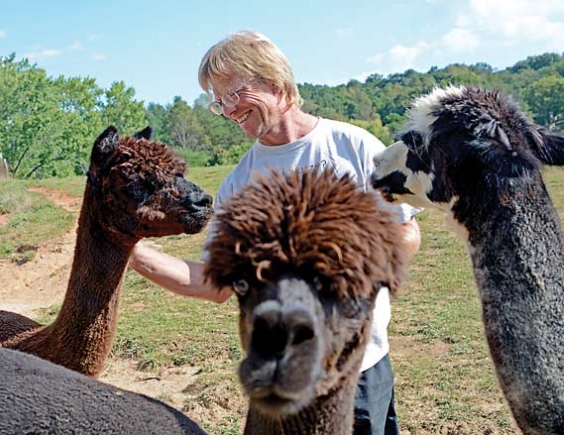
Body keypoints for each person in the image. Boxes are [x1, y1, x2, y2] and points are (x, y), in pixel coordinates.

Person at [129, 30, 421, 435]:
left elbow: (407, 230)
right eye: (218, 102)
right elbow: (214, 284)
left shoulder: (353, 146)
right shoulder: (238, 183)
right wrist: (128, 250)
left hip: (358, 367)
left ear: (274, 80)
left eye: (233, 94)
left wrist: (350, 278)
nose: (227, 110)